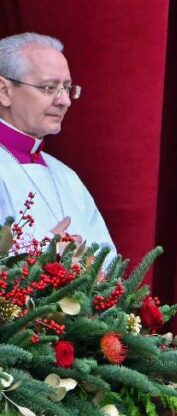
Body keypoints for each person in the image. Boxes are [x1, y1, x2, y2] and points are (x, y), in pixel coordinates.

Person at [0, 33, 116, 255]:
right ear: (4, 91)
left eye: (67, 87)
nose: (65, 100)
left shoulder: (67, 177)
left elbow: (107, 260)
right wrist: (45, 254)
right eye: (48, 88)